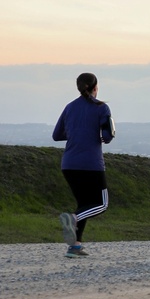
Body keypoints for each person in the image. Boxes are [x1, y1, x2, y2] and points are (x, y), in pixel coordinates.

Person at [52, 72, 116, 257]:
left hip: (69, 164)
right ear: (96, 87)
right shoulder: (101, 108)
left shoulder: (70, 107)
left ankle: (75, 246)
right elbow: (107, 137)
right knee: (101, 204)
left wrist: (77, 134)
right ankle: (73, 218)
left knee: (85, 204)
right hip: (91, 164)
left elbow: (57, 135)